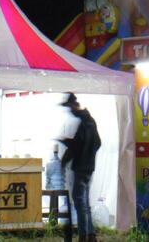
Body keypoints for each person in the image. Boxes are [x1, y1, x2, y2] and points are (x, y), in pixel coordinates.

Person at [59, 95, 100, 242]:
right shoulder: (90, 122)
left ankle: (83, 236)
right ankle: (91, 235)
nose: (70, 111)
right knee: (85, 203)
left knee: (79, 203)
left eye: (70, 107)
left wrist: (65, 159)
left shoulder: (84, 123)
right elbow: (96, 143)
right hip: (89, 167)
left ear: (74, 105)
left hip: (81, 168)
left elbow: (77, 146)